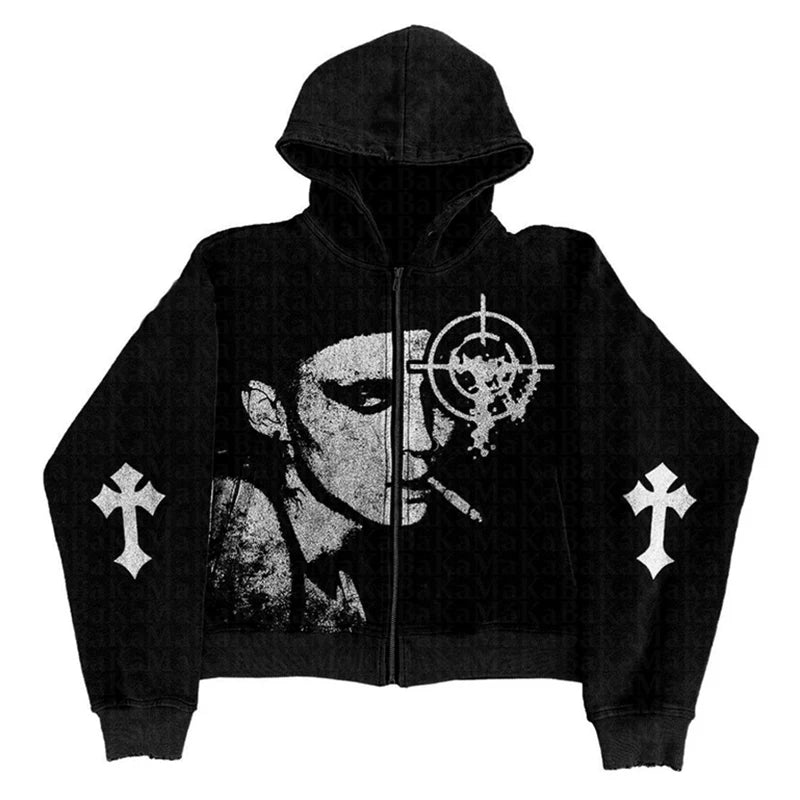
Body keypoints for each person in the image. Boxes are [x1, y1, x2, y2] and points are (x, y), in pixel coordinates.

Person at [205, 327, 457, 633]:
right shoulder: (229, 558)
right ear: (269, 412)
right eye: (368, 396)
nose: (423, 440)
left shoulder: (363, 572)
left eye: (439, 395)